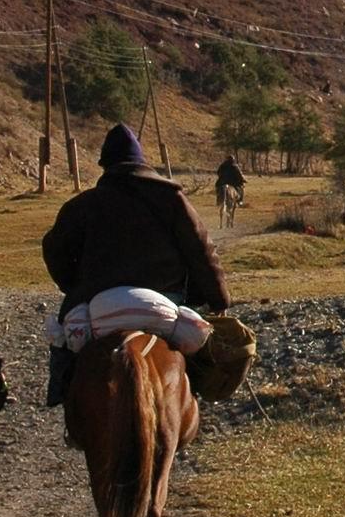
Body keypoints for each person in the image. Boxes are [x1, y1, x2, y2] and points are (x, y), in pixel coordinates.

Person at [42, 124, 230, 408]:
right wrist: (218, 298)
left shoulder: (82, 205)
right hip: (163, 301)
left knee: (65, 349)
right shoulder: (172, 199)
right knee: (198, 355)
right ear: (142, 161)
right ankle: (194, 404)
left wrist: (75, 287)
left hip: (98, 303)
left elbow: (54, 251)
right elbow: (201, 249)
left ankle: (61, 394)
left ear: (105, 165)